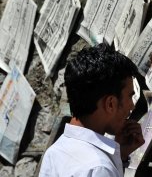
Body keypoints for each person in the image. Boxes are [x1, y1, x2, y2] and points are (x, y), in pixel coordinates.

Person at [39, 43, 145, 176]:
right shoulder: (99, 168)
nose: (132, 106)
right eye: (130, 96)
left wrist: (119, 155)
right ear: (110, 104)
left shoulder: (54, 152)